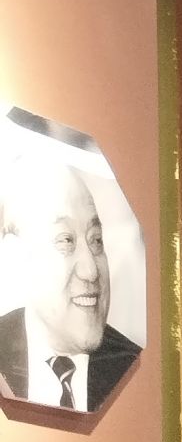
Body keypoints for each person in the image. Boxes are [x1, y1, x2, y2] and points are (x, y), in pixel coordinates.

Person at [0, 135, 141, 413]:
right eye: (66, 241)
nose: (91, 271)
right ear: (18, 257)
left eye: (96, 240)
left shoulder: (133, 368)